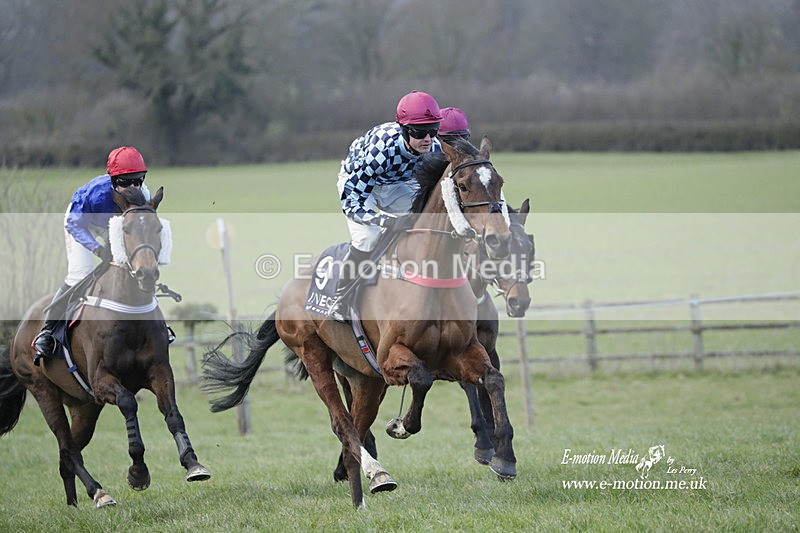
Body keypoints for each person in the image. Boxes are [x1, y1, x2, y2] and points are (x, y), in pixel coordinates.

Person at [329, 90, 444, 320]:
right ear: (404, 129)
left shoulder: (434, 149)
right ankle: (340, 298)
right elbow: (353, 201)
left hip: (396, 184)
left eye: (433, 130)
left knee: (423, 221)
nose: (428, 139)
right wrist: (384, 221)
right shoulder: (381, 151)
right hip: (360, 187)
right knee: (367, 238)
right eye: (421, 132)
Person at [32, 146, 152, 360]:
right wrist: (96, 248)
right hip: (82, 223)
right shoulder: (94, 193)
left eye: (138, 180)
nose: (132, 186)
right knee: (80, 273)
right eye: (125, 182)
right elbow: (75, 224)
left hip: (113, 226)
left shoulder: (144, 195)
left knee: (136, 268)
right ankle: (47, 332)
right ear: (113, 180)